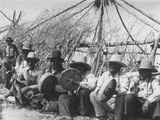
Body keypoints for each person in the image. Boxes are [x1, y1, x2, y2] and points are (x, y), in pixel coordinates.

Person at [89, 54, 128, 120]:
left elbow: (124, 90)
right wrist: (101, 92)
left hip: (116, 102)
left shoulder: (123, 76)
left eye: (114, 64)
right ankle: (101, 115)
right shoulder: (105, 74)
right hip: (104, 101)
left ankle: (115, 116)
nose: (111, 66)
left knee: (121, 96)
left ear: (119, 66)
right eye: (110, 64)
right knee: (92, 94)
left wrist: (114, 91)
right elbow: (98, 86)